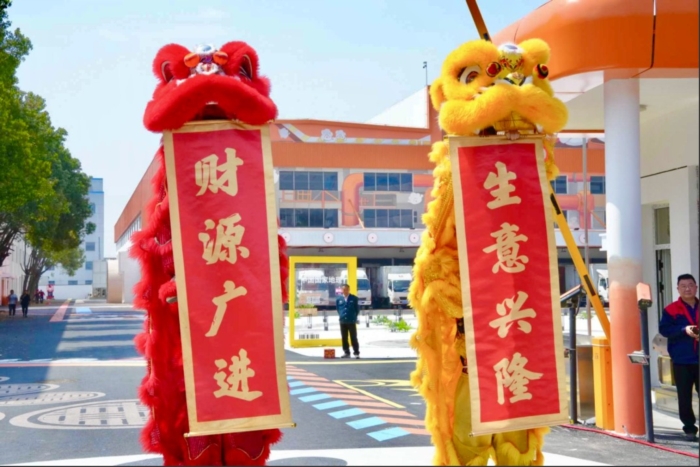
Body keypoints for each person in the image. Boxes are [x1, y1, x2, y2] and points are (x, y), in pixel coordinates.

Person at [659, 273, 699, 442]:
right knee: (684, 396)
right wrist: (684, 330)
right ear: (678, 289)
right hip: (682, 360)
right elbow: (664, 330)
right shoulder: (671, 309)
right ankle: (689, 429)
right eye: (683, 286)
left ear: (696, 287)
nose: (687, 288)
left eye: (690, 285)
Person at [336, 283, 360, 359]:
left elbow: (357, 309)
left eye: (346, 289)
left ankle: (356, 352)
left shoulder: (354, 298)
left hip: (351, 321)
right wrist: (342, 315)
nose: (345, 291)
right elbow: (338, 309)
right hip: (343, 321)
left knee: (353, 337)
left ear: (349, 290)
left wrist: (353, 317)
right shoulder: (339, 299)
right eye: (344, 290)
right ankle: (346, 352)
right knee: (344, 337)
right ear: (341, 290)